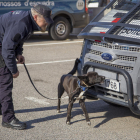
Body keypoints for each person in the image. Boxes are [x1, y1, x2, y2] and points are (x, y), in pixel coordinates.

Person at [0, 4, 53, 130]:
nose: (47, 24)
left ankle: (2, 108)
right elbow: (7, 49)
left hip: (3, 43)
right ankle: (8, 119)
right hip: (2, 46)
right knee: (5, 80)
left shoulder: (28, 21)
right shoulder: (22, 23)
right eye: (45, 21)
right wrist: (13, 70)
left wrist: (19, 53)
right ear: (36, 17)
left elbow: (18, 39)